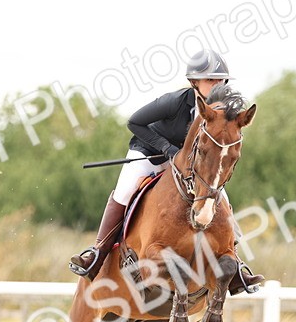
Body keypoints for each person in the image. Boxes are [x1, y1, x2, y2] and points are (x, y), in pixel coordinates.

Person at [68, 50, 265, 294]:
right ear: (194, 82)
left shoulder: (223, 114)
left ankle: (235, 264)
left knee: (219, 197)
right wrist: (167, 149)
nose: (217, 85)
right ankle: (97, 253)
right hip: (150, 154)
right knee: (125, 189)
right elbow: (134, 122)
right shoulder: (174, 102)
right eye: (210, 80)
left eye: (220, 80)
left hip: (188, 166)